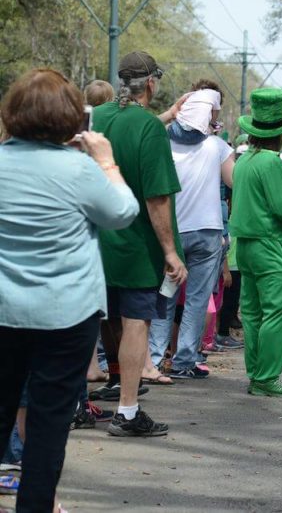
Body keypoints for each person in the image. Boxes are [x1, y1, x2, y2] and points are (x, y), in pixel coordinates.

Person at [0, 69, 139, 512]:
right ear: (72, 118)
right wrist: (107, 161)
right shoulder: (80, 169)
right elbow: (122, 212)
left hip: (4, 312)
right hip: (65, 316)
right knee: (48, 427)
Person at [92, 51, 188, 437]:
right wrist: (169, 251)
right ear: (151, 83)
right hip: (135, 246)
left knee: (98, 319)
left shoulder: (94, 117)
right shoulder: (148, 128)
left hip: (93, 243)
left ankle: (82, 402)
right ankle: (127, 411)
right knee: (136, 323)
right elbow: (157, 198)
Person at [150, 80, 235, 380]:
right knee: (198, 299)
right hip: (207, 233)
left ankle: (156, 359)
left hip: (171, 232)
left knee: (166, 296)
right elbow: (234, 183)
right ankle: (186, 360)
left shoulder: (162, 142)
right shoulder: (217, 146)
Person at [229, 88, 282, 397]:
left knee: (252, 312)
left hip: (245, 246)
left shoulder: (244, 161)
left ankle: (256, 375)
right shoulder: (273, 164)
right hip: (270, 244)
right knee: (277, 311)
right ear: (280, 134)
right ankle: (267, 377)